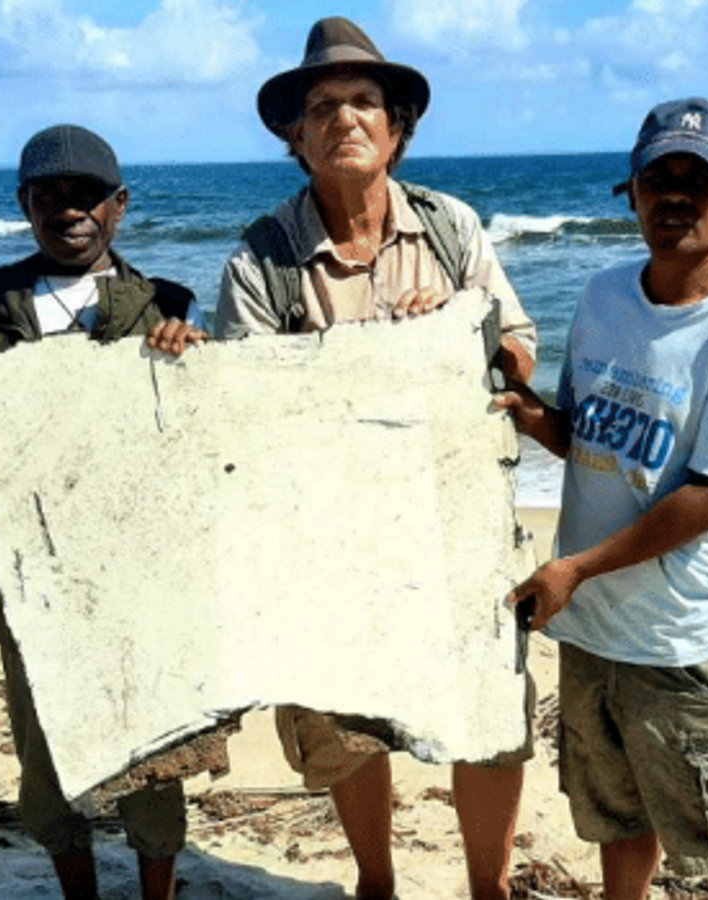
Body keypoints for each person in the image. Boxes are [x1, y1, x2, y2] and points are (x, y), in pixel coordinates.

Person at [212, 17, 537, 900]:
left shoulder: (452, 226)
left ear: (397, 127)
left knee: (487, 713)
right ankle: (377, 883)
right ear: (295, 134)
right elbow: (242, 404)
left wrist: (460, 329)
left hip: (452, 519)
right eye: (323, 106)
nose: (345, 118)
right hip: (325, 538)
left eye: (365, 102)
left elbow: (519, 347)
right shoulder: (262, 256)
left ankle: (488, 886)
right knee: (341, 719)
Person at [494, 98, 708, 900]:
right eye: (657, 178)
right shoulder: (604, 297)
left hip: (678, 639)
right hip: (592, 626)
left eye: (697, 181)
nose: (675, 197)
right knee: (617, 812)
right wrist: (539, 422)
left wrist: (576, 570)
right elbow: (596, 437)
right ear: (629, 191)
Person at [0, 123, 206, 900]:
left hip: (138, 566)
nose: (68, 211)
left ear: (119, 206)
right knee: (43, 743)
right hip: (26, 568)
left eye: (86, 195)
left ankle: (158, 890)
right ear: (24, 205)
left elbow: (193, 447)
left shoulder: (170, 304)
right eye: (47, 196)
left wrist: (195, 366)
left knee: (156, 738)